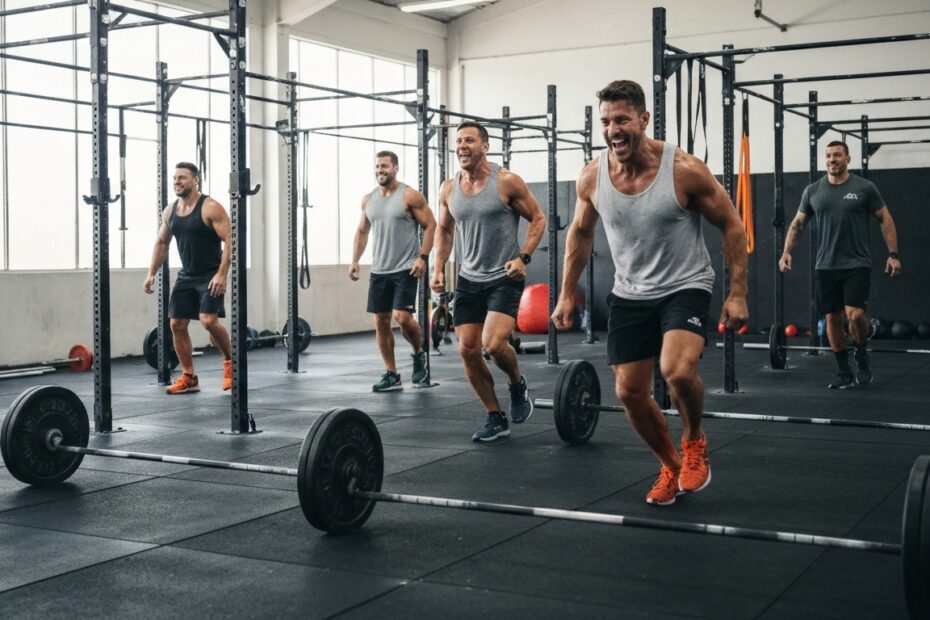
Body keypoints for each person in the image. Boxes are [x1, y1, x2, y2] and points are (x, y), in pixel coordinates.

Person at [552, 80, 748, 506]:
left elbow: (732, 225)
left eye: (621, 119)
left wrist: (737, 293)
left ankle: (694, 439)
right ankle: (671, 466)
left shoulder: (684, 170)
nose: (613, 130)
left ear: (643, 119)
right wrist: (566, 293)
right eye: (606, 122)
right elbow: (580, 234)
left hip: (685, 284)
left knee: (676, 370)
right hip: (630, 291)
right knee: (628, 392)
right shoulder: (592, 176)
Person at [431, 121, 547, 442]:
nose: (462, 146)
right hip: (469, 278)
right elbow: (444, 229)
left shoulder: (506, 182)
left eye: (469, 140)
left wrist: (523, 257)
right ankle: (495, 416)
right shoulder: (448, 188)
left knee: (493, 344)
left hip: (504, 276)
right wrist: (438, 268)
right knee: (467, 350)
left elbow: (538, 219)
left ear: (485, 146)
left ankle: (516, 383)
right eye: (458, 141)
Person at [779, 140, 901, 389]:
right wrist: (786, 251)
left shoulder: (864, 188)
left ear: (848, 159)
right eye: (828, 156)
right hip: (826, 265)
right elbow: (798, 223)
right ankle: (844, 371)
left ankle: (861, 350)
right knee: (833, 319)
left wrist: (893, 254)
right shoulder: (813, 191)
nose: (832, 160)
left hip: (857, 263)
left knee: (855, 315)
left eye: (837, 155)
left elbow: (885, 218)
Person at [349, 150, 437, 392]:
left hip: (405, 267)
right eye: (377, 166)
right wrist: (355, 260)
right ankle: (391, 373)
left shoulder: (410, 196)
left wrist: (423, 257)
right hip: (380, 269)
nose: (380, 170)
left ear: (395, 168)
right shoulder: (368, 199)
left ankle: (418, 353)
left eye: (385, 166)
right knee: (381, 321)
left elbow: (431, 225)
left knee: (402, 317)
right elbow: (362, 231)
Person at [143, 162, 233, 394]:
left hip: (210, 274)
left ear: (196, 180)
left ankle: (231, 363)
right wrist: (151, 273)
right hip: (187, 275)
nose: (177, 182)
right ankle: (189, 377)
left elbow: (230, 240)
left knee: (208, 321)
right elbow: (162, 243)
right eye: (175, 178)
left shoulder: (210, 207)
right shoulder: (170, 211)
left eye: (182, 177)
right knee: (176, 324)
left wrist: (222, 274)